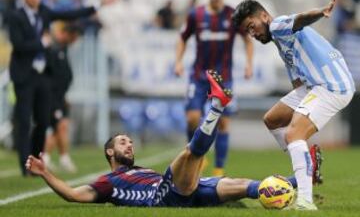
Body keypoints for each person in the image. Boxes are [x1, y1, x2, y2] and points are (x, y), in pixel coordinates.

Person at [26, 70, 312, 207]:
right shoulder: (107, 183)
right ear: (110, 153)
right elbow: (73, 195)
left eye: (129, 140)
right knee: (189, 154)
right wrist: (44, 172)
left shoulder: (140, 171)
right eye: (122, 142)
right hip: (165, 196)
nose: (129, 144)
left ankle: (302, 179)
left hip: (188, 190)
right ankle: (216, 105)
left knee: (242, 185)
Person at [231, 0, 355, 210]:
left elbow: (299, 19)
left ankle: (305, 201)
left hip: (331, 85)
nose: (252, 33)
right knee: (272, 120)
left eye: (252, 26)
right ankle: (307, 166)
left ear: (263, 16)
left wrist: (320, 12)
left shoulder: (277, 25)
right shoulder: (280, 42)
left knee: (293, 135)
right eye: (247, 31)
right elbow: (296, 80)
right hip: (311, 86)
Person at [8, 0, 118, 176]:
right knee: (24, 121)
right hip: (24, 75)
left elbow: (70, 14)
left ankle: (35, 162)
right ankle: (25, 167)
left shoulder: (44, 12)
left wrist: (98, 5)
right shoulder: (16, 16)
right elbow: (18, 44)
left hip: (42, 74)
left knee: (42, 121)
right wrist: (40, 43)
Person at [174, 0, 254, 177]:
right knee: (192, 118)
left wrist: (249, 64)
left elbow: (247, 39)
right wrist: (178, 62)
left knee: (224, 122)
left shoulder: (232, 15)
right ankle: (195, 155)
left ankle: (219, 169)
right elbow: (182, 38)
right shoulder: (196, 15)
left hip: (223, 77)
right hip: (199, 76)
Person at [42, 22, 81, 173]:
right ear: (66, 34)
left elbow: (63, 77)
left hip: (59, 97)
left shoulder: (62, 50)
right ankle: (53, 158)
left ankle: (56, 158)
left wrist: (63, 96)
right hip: (52, 97)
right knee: (60, 126)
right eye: (74, 37)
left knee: (60, 127)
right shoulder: (54, 50)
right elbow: (50, 77)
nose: (75, 41)